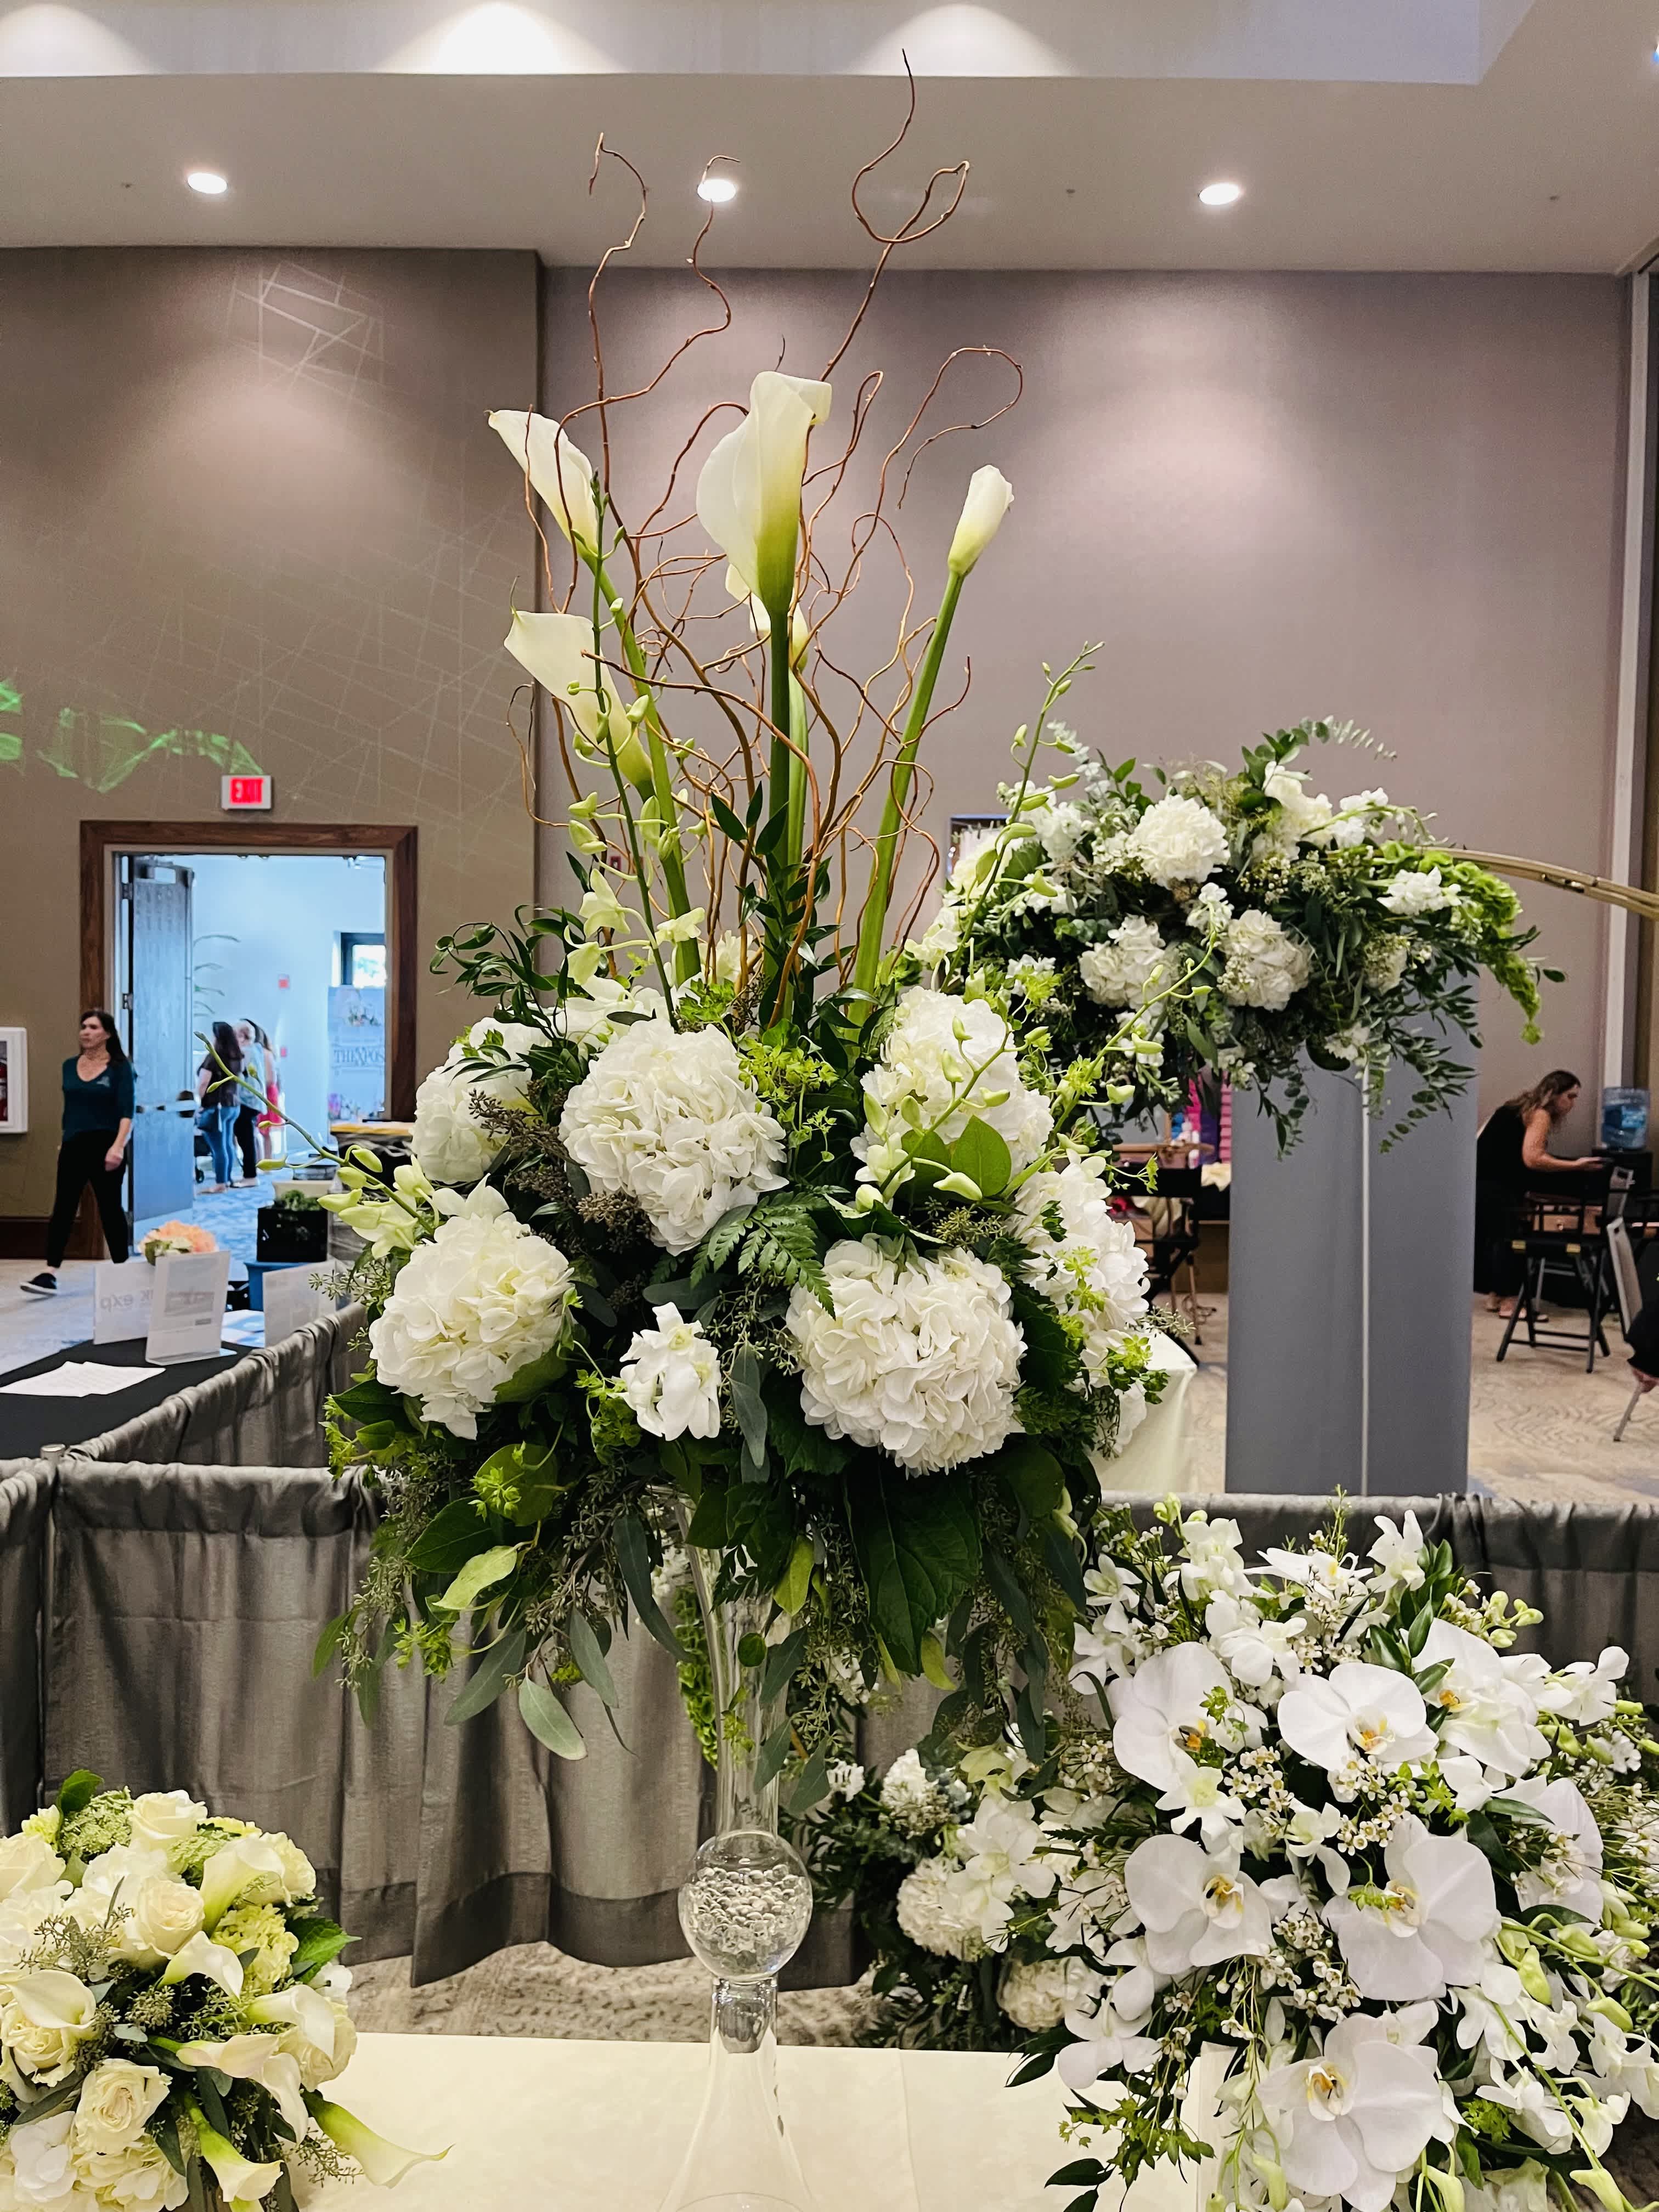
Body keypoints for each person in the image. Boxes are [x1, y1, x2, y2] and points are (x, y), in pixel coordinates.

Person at [19, 1010, 134, 1296]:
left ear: (107, 1034)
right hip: (74, 1144)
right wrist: (65, 1140)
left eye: (93, 1027)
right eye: (83, 1027)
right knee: (64, 1207)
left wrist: (118, 1147)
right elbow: (70, 1110)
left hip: (107, 1145)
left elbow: (127, 1112)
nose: (86, 1032)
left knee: (110, 1208)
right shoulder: (69, 1066)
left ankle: (122, 1269)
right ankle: (50, 1272)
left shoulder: (120, 1068)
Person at [1473, 1069, 1600, 1319]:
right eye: (1570, 1097)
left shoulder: (1512, 1108)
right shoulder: (1540, 1114)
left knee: (1496, 1239)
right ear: (1553, 1094)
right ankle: (1511, 1303)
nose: (1572, 1104)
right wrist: (1576, 1166)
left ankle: (1496, 1296)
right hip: (1499, 1186)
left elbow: (1479, 1138)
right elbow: (1533, 1158)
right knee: (1511, 1240)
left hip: (1480, 1183)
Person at [195, 1020, 244, 1193]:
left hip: (216, 1106)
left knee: (217, 1146)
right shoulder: (237, 1057)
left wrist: (199, 1104)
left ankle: (221, 1183)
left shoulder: (214, 1058)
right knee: (228, 1143)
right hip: (233, 1105)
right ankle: (227, 1179)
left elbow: (203, 1084)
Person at [232, 1018, 279, 1182]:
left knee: (249, 1137)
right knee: (250, 1136)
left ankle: (252, 1174)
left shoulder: (249, 1052)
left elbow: (243, 1075)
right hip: (254, 1100)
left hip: (249, 1100)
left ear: (242, 1036)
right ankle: (253, 1170)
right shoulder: (256, 1050)